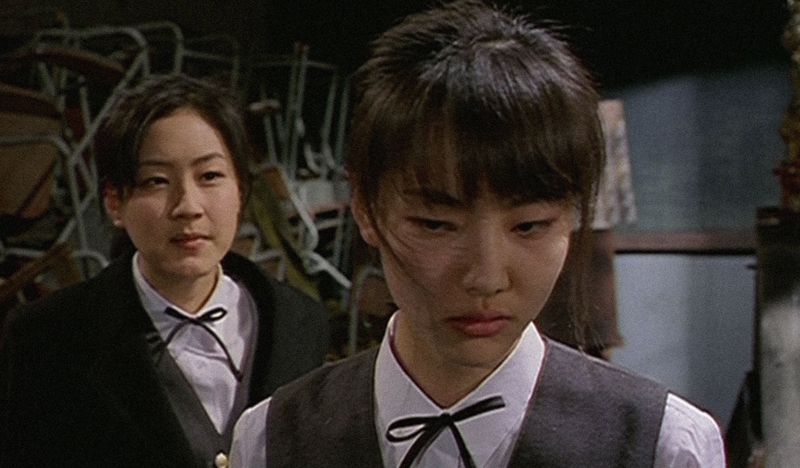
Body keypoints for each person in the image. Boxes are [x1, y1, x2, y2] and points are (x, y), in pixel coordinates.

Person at [231, 1, 725, 466]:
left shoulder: (663, 446)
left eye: (529, 226)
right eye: (436, 225)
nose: (486, 278)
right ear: (366, 207)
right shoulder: (273, 439)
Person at [0, 74, 330, 468]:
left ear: (241, 190)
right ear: (115, 202)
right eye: (157, 181)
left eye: (209, 176)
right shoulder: (47, 337)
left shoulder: (299, 323)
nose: (188, 206)